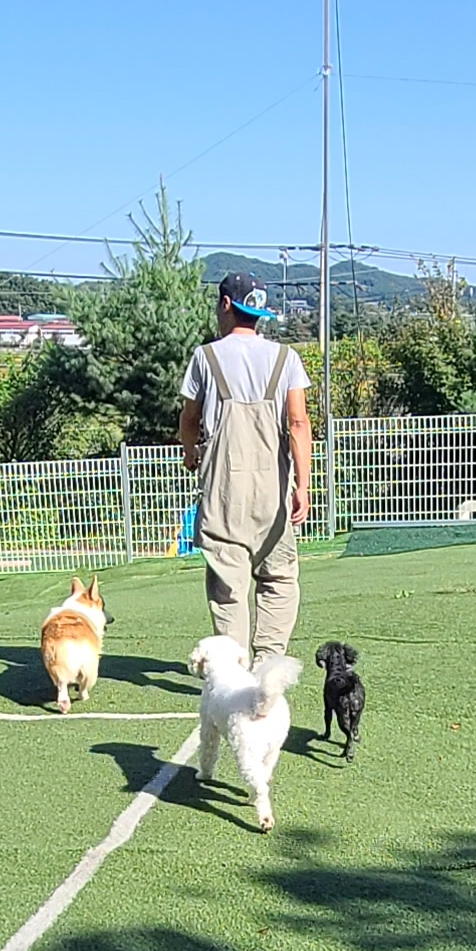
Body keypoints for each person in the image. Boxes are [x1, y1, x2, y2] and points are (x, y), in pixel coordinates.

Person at [178, 270, 312, 660]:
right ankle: (269, 665)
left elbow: (190, 417)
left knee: (227, 587)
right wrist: (303, 485)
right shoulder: (286, 358)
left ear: (225, 305)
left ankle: (233, 669)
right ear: (259, 313)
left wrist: (190, 452)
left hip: (224, 490)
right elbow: (298, 423)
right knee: (279, 578)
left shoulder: (205, 358)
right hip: (272, 488)